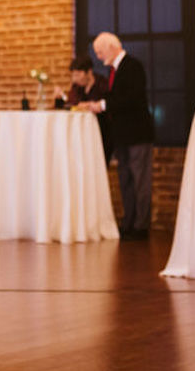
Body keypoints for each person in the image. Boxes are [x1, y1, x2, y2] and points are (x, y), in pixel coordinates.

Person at [89, 32, 154, 240]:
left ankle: (141, 226)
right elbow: (115, 96)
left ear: (111, 47)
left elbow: (132, 98)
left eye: (100, 52)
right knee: (125, 179)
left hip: (137, 133)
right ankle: (128, 221)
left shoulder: (132, 66)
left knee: (140, 181)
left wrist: (103, 105)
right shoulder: (113, 71)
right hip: (122, 135)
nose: (98, 57)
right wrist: (96, 104)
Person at [59, 55, 112, 162]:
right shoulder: (76, 87)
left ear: (89, 72)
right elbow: (70, 104)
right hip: (83, 136)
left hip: (103, 134)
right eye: (73, 75)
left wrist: (92, 105)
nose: (75, 79)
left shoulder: (103, 84)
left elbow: (109, 105)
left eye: (78, 75)